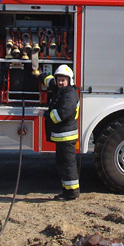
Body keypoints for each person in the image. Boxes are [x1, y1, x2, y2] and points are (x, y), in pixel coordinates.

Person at [43, 64, 80, 200]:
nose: (60, 82)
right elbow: (49, 81)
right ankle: (66, 191)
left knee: (68, 165)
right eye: (58, 79)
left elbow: (60, 115)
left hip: (66, 137)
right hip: (62, 137)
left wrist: (46, 115)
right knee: (62, 164)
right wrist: (38, 73)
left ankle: (72, 193)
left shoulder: (69, 95)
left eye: (63, 80)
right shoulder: (62, 90)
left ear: (69, 80)